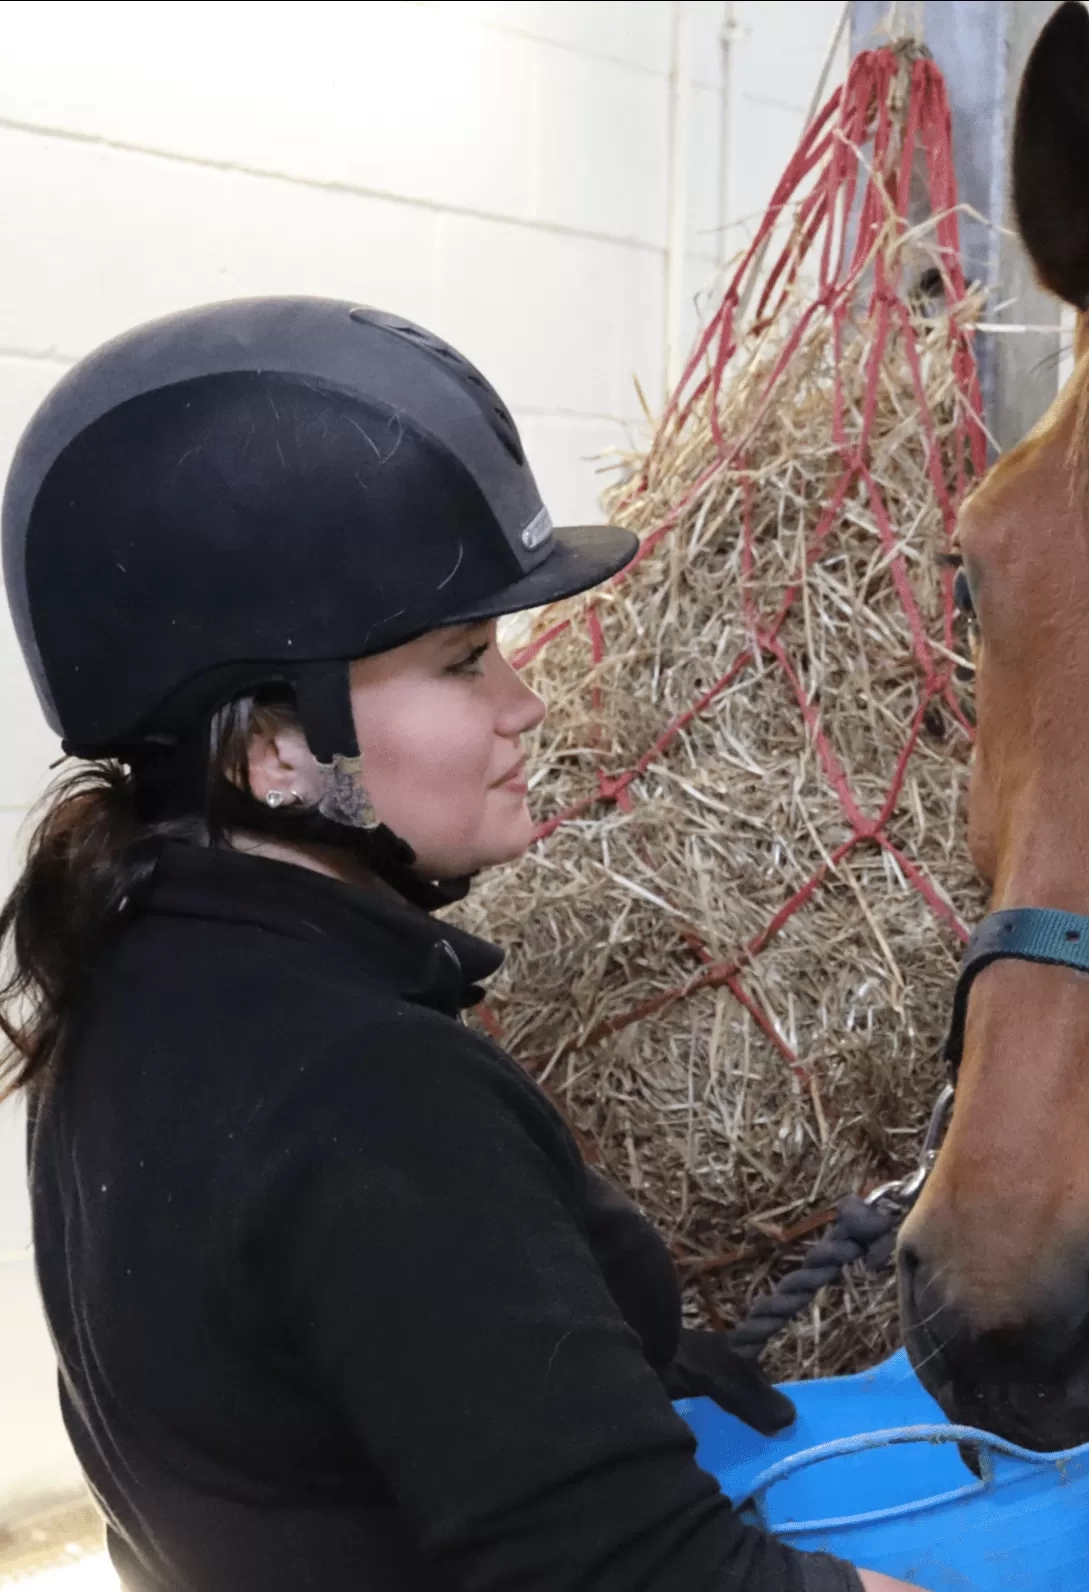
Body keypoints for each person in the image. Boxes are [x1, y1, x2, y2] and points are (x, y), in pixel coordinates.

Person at [4, 299, 921, 1592]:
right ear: (274, 748)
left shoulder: (126, 985)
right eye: (462, 662)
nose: (525, 703)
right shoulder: (365, 1091)